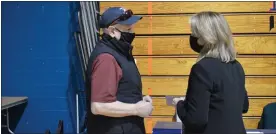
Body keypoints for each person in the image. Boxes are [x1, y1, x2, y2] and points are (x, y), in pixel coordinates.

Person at [173, 11, 249, 134]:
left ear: (206, 37)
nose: (192, 36)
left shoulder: (202, 69)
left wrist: (180, 104)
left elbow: (196, 120)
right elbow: (244, 106)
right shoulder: (237, 67)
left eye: (194, 33)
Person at [86, 7, 153, 134]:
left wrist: (138, 101)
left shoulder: (120, 53)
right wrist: (136, 109)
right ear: (111, 31)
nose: (131, 32)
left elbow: (121, 91)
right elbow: (99, 106)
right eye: (128, 29)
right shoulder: (106, 59)